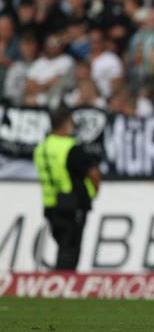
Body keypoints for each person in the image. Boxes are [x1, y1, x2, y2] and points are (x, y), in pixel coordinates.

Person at [33, 107, 101, 270]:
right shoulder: (70, 148)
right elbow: (94, 174)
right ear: (65, 124)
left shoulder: (41, 149)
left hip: (50, 204)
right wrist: (92, 195)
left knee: (62, 245)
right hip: (72, 204)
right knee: (71, 249)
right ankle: (63, 284)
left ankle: (60, 279)